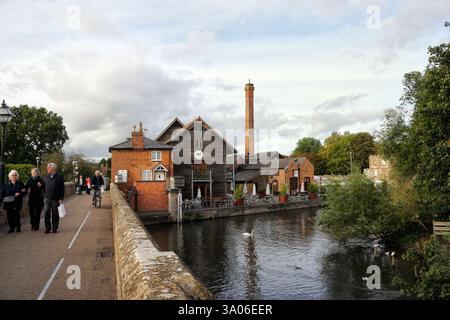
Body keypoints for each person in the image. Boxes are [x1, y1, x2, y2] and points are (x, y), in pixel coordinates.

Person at [42, 163, 65, 234]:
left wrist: (61, 198)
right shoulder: (45, 176)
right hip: (47, 198)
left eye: (49, 167)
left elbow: (62, 188)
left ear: (53, 169)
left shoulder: (59, 176)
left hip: (56, 198)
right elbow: (43, 186)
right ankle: (47, 228)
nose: (47, 168)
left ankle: (54, 228)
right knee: (46, 213)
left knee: (55, 213)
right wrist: (43, 194)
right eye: (47, 167)